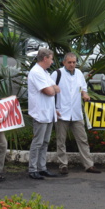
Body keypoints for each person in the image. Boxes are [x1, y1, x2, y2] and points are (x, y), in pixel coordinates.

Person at [51, 52, 101, 175]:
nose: (72, 64)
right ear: (64, 62)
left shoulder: (79, 74)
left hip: (76, 112)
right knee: (61, 140)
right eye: (69, 62)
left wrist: (85, 95)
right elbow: (50, 92)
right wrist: (53, 109)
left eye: (74, 62)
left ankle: (88, 165)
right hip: (61, 112)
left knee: (83, 139)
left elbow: (83, 88)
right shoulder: (57, 74)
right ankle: (63, 165)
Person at [27, 48, 60, 180]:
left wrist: (53, 89)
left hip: (48, 112)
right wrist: (53, 89)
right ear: (45, 58)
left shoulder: (44, 72)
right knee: (38, 142)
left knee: (45, 142)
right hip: (40, 112)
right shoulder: (36, 72)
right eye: (51, 59)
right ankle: (33, 168)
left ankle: (42, 167)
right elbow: (50, 91)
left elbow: (56, 88)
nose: (52, 62)